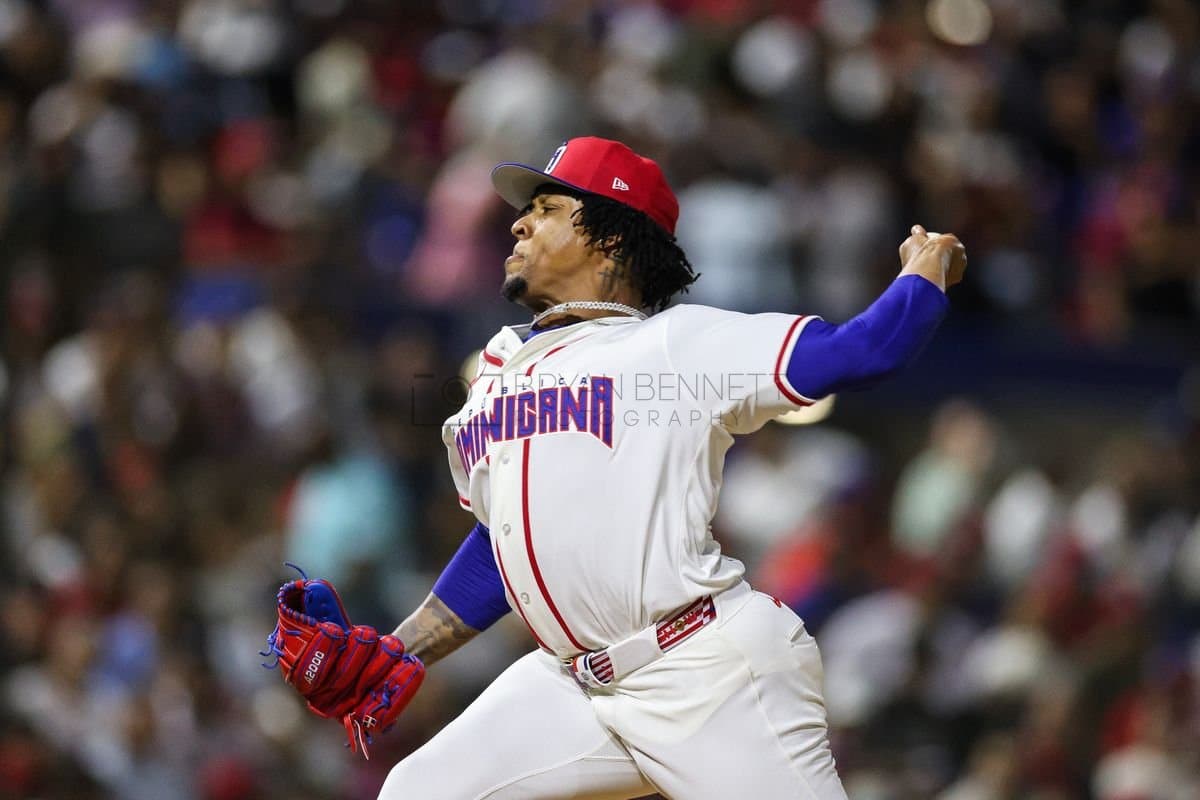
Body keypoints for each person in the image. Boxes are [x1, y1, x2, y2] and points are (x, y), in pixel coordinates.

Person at [374, 136, 965, 799]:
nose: (518, 222)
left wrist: (924, 273)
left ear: (611, 240)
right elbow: (501, 543)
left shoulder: (677, 346)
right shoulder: (496, 374)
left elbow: (865, 350)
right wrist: (400, 650)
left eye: (547, 208)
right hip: (573, 685)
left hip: (703, 669)